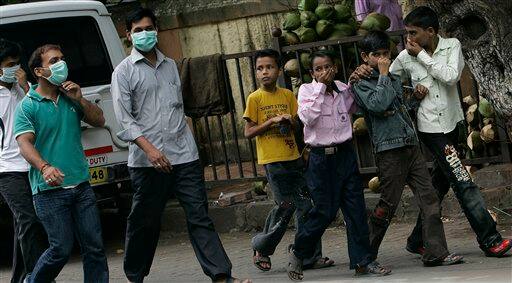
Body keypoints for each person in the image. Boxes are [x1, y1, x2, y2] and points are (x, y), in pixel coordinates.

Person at [111, 8, 250, 283]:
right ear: (128, 35)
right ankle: (135, 275)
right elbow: (124, 120)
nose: (144, 34)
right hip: (146, 162)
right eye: (137, 30)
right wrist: (150, 150)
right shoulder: (123, 72)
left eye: (148, 28)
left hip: (184, 156)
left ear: (157, 30)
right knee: (145, 222)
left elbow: (178, 109)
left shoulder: (171, 66)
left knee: (199, 216)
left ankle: (221, 275)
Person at [389, 6, 511, 257]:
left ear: (431, 32)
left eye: (413, 33)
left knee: (440, 184)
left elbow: (450, 76)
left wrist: (422, 56)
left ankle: (417, 239)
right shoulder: (404, 57)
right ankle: (490, 239)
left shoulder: (452, 45)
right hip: (430, 129)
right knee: (463, 181)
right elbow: (389, 83)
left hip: (454, 125)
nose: (408, 38)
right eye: (407, 33)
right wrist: (410, 94)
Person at [352, 31, 463, 266]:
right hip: (389, 152)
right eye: (377, 55)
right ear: (365, 57)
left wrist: (416, 98)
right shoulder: (361, 84)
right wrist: (383, 74)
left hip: (411, 147)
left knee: (429, 198)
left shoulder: (391, 79)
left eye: (386, 55)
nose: (383, 59)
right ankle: (364, 257)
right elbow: (379, 105)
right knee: (387, 205)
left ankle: (436, 253)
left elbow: (400, 110)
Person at [285, 50, 391, 281]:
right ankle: (299, 251)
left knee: (355, 209)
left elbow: (355, 109)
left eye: (328, 67)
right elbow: (308, 118)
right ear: (312, 73)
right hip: (320, 159)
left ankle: (363, 260)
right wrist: (322, 89)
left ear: (335, 68)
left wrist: (354, 82)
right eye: (319, 69)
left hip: (345, 154)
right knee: (324, 211)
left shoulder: (343, 89)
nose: (325, 72)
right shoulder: (306, 91)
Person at [14, 44, 109, 283]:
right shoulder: (28, 105)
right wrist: (45, 167)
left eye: (62, 59)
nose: (61, 65)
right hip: (48, 192)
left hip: (81, 185)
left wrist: (80, 99)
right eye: (53, 61)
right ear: (38, 71)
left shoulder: (70, 96)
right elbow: (25, 143)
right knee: (60, 250)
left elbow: (99, 120)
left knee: (94, 247)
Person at [243, 49, 334, 273]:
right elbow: (249, 132)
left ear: (279, 70)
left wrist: (288, 122)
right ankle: (261, 247)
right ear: (256, 73)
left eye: (269, 67)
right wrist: (271, 121)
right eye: (260, 68)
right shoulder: (254, 98)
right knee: (285, 207)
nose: (265, 72)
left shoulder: (287, 95)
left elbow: (298, 124)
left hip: (293, 158)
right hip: (273, 162)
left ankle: (307, 255)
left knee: (307, 207)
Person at [0, 38, 47, 283]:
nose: (14, 68)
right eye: (10, 64)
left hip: (31, 164)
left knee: (26, 225)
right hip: (6, 170)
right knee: (28, 219)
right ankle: (39, 276)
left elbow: (41, 115)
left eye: (17, 63)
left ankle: (24, 278)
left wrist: (26, 88)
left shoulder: (24, 88)